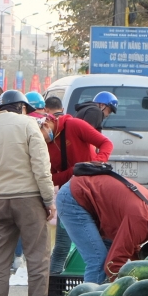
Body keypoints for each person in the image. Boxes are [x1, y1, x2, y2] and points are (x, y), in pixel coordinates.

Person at [0, 89, 55, 296]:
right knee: (37, 255)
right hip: (30, 199)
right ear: (23, 107)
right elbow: (41, 167)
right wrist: (48, 200)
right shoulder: (29, 125)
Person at [57, 165, 148, 283]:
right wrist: (129, 290)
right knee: (98, 261)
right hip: (74, 198)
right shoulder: (143, 219)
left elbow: (130, 247)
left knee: (108, 256)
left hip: (90, 200)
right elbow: (113, 265)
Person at [44, 108, 115, 275]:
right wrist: (73, 172)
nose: (41, 140)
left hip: (92, 191)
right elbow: (50, 177)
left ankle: (101, 282)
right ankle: (53, 287)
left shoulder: (74, 125)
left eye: (42, 135)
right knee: (62, 243)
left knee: (100, 243)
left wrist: (93, 165)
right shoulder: (43, 145)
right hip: (68, 197)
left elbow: (106, 144)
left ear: (47, 123)